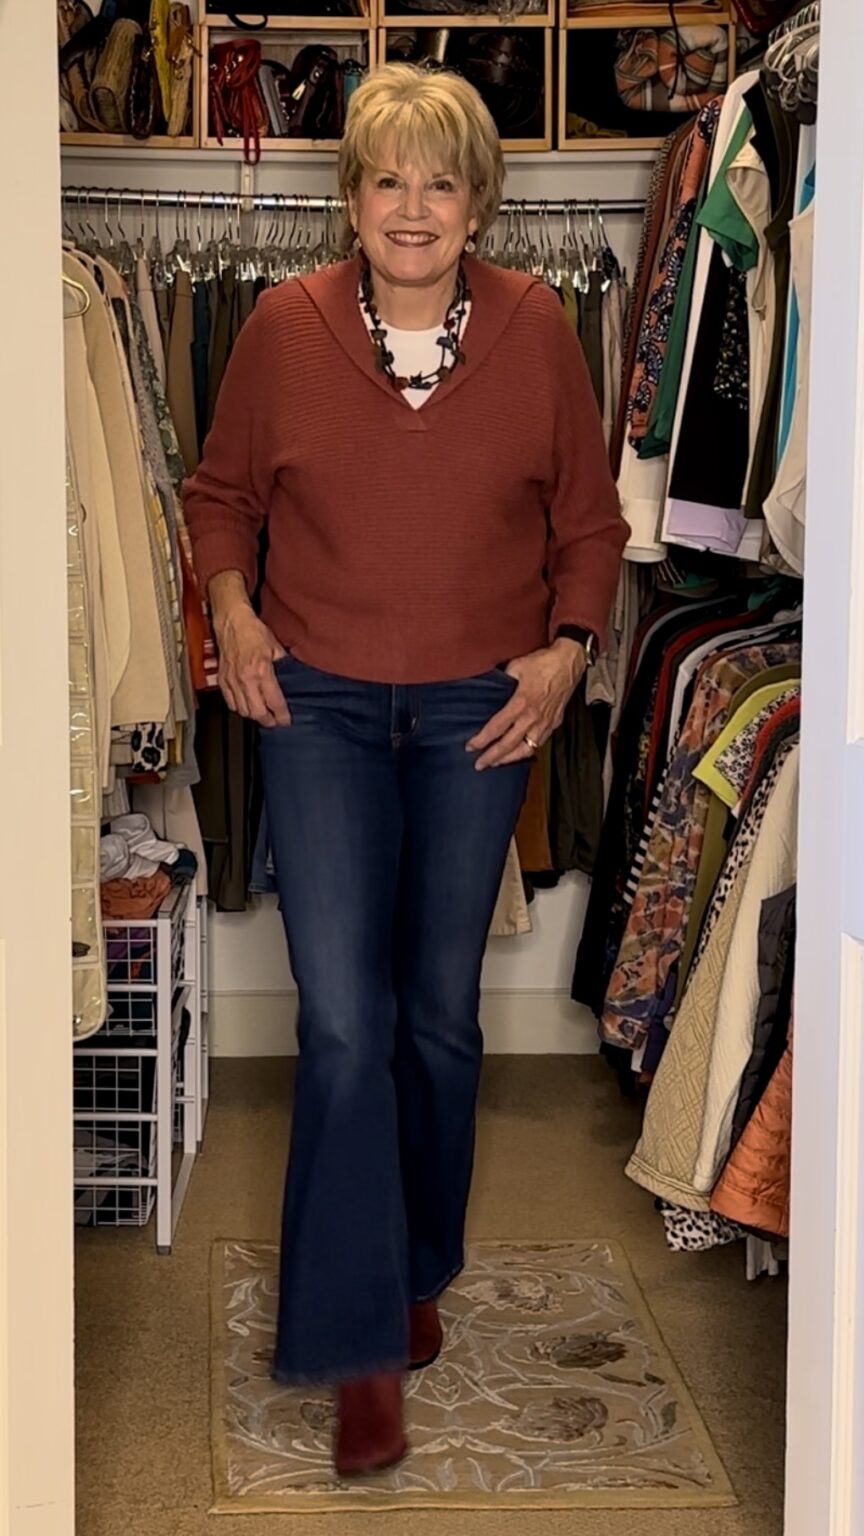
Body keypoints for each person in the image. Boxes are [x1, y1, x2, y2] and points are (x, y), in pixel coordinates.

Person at [184, 62, 626, 1477]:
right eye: (389, 179)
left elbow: (591, 524)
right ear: (352, 197)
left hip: (474, 717)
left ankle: (419, 1262)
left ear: (478, 202)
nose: (415, 207)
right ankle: (360, 1338)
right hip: (315, 703)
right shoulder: (283, 327)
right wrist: (234, 609)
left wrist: (564, 654)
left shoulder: (539, 330)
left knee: (436, 1018)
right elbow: (218, 498)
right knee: (341, 1020)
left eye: (442, 182)